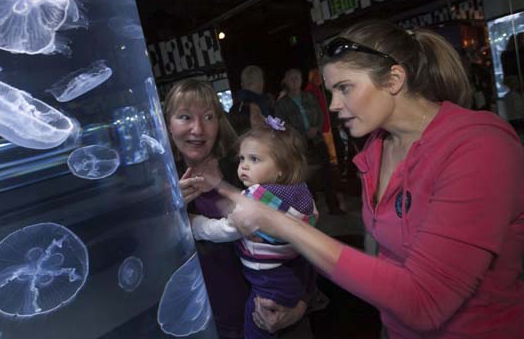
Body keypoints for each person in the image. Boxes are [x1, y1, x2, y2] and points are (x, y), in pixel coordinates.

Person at [219, 20, 524, 338]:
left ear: (394, 80)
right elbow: (381, 260)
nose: (335, 105)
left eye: (345, 88)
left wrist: (282, 224)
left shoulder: (479, 147)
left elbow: (424, 302)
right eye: (331, 91)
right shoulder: (377, 149)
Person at [163, 79, 313, 338]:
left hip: (279, 314)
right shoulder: (160, 186)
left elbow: (300, 235)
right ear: (168, 125)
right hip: (213, 326)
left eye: (208, 117)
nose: (197, 129)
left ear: (218, 122)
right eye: (185, 117)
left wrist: (300, 305)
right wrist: (171, 211)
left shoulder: (248, 167)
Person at [189, 116, 318, 339]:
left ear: (281, 169)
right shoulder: (296, 192)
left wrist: (193, 224)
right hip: (288, 279)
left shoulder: (258, 198)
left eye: (255, 159)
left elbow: (226, 228)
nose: (244, 166)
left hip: (269, 283)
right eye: (242, 159)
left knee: (256, 324)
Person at [275, 68, 343, 215]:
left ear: (301, 80)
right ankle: (311, 211)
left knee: (327, 174)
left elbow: (320, 114)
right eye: (291, 77)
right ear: (285, 81)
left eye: (297, 77)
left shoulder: (310, 97)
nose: (294, 80)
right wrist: (299, 135)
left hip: (317, 140)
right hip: (299, 145)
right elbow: (282, 126)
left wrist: (316, 128)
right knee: (306, 179)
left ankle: (334, 207)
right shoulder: (282, 104)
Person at [229, 65, 273, 134]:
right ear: (260, 82)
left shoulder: (236, 106)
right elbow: (271, 126)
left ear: (242, 84)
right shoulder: (260, 102)